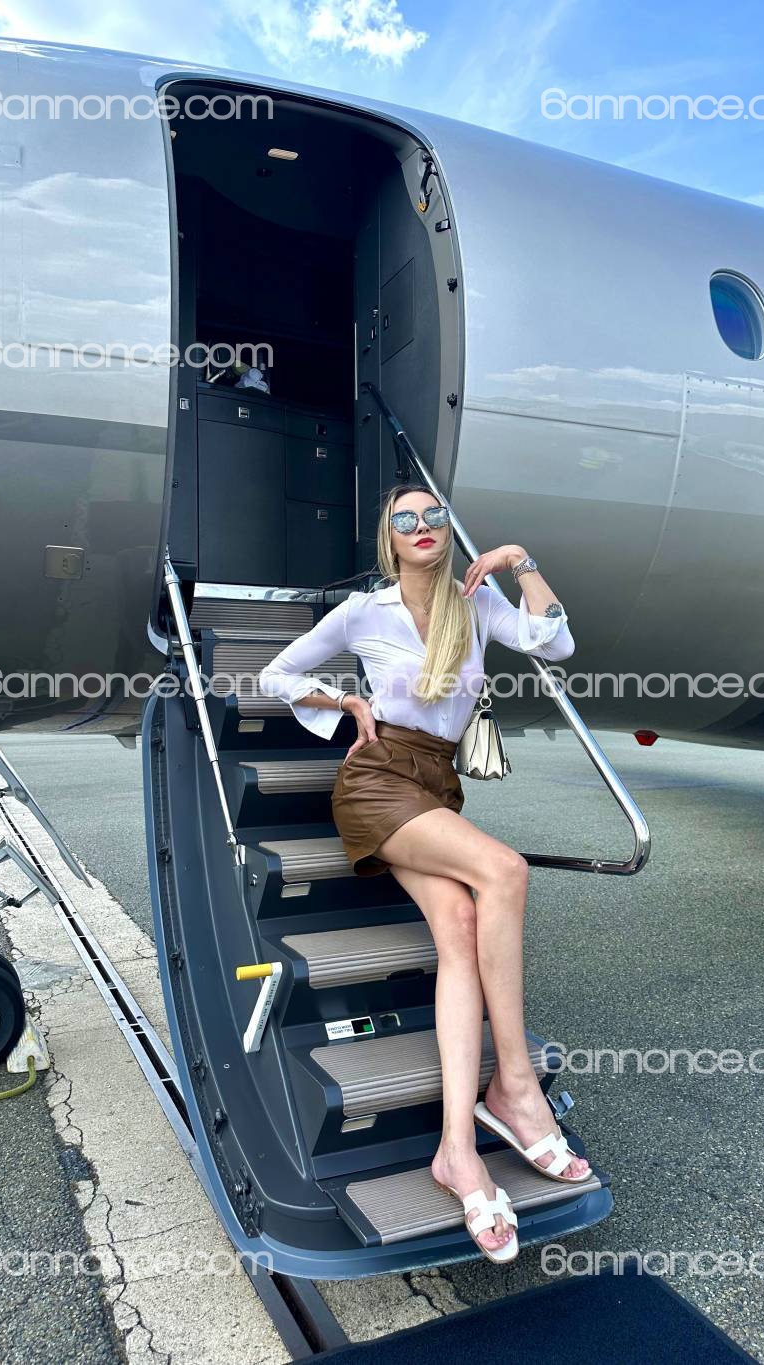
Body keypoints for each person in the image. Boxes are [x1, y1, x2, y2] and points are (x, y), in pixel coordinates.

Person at [258, 481, 591, 1262]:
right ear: (391, 539)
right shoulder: (363, 612)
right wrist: (343, 701)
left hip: (436, 782)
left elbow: (555, 642)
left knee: (462, 923)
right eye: (404, 519)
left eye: (432, 515)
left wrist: (519, 561)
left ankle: (456, 1151)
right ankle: (514, 1087)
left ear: (445, 529)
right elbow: (275, 675)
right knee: (504, 870)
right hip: (377, 780)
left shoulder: (475, 606)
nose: (420, 525)